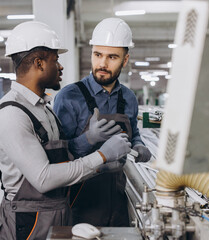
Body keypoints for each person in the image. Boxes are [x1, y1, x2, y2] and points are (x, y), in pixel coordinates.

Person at [0, 21, 132, 240]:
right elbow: (44, 178)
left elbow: (64, 160)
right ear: (39, 63)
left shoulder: (44, 110)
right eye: (55, 60)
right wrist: (102, 156)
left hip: (57, 214)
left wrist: (95, 154)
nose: (61, 67)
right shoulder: (12, 114)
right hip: (27, 224)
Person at [53, 18, 152, 227]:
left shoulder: (129, 98)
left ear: (125, 60)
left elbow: (133, 132)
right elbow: (59, 158)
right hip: (80, 200)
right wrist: (88, 139)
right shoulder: (69, 97)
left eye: (112, 57)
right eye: (97, 55)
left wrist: (138, 144)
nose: (103, 64)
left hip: (116, 195)